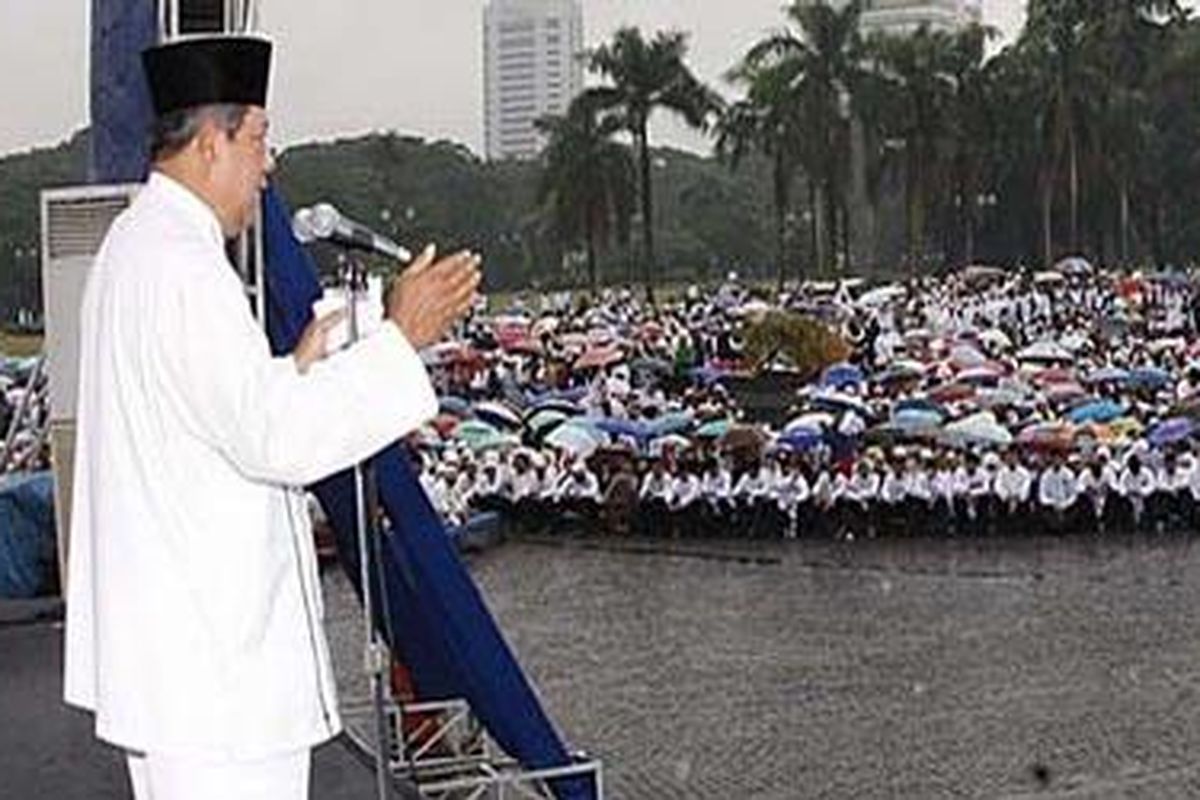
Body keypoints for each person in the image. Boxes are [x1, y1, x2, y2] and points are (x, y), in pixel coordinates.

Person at [63, 36, 481, 800]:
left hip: (187, 667)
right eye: (258, 140)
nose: (268, 167)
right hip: (217, 680)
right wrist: (401, 338)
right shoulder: (183, 269)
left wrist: (291, 370)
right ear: (211, 143)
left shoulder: (141, 245)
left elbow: (216, 416)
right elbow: (274, 438)